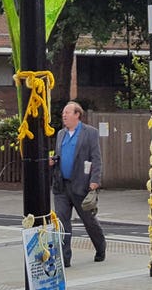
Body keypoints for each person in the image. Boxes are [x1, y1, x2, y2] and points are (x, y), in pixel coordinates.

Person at [49, 101, 106, 268]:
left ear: (77, 115)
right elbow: (59, 154)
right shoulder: (61, 134)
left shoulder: (90, 133)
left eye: (67, 113)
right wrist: (53, 161)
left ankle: (100, 247)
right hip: (61, 186)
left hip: (82, 185)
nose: (64, 116)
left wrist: (95, 180)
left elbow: (96, 158)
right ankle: (65, 258)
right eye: (63, 113)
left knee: (89, 221)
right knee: (62, 222)